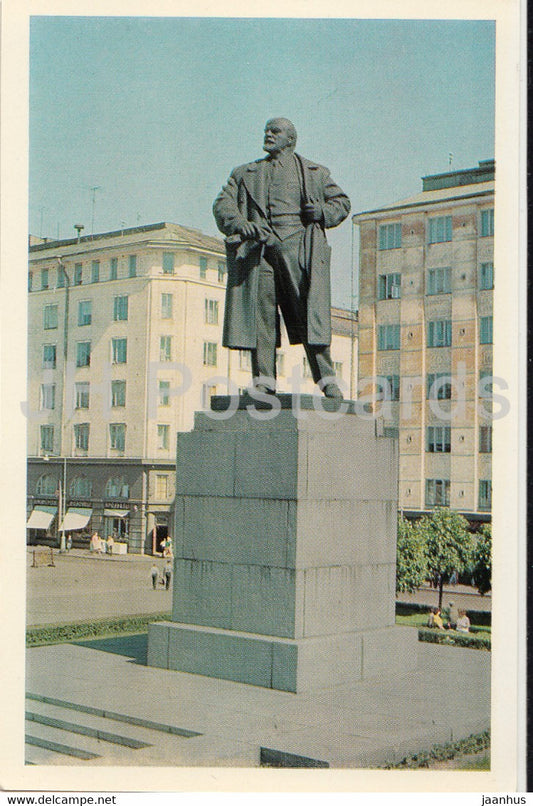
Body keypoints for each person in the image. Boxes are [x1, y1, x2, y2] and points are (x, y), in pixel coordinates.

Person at [213, 118, 351, 398]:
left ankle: (327, 380)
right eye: (266, 130)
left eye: (275, 131)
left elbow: (342, 203)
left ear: (291, 139)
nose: (268, 134)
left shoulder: (314, 173)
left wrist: (322, 213)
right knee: (261, 316)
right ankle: (264, 380)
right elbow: (222, 204)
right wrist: (240, 223)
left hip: (298, 248)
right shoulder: (244, 173)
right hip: (260, 251)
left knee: (310, 315)